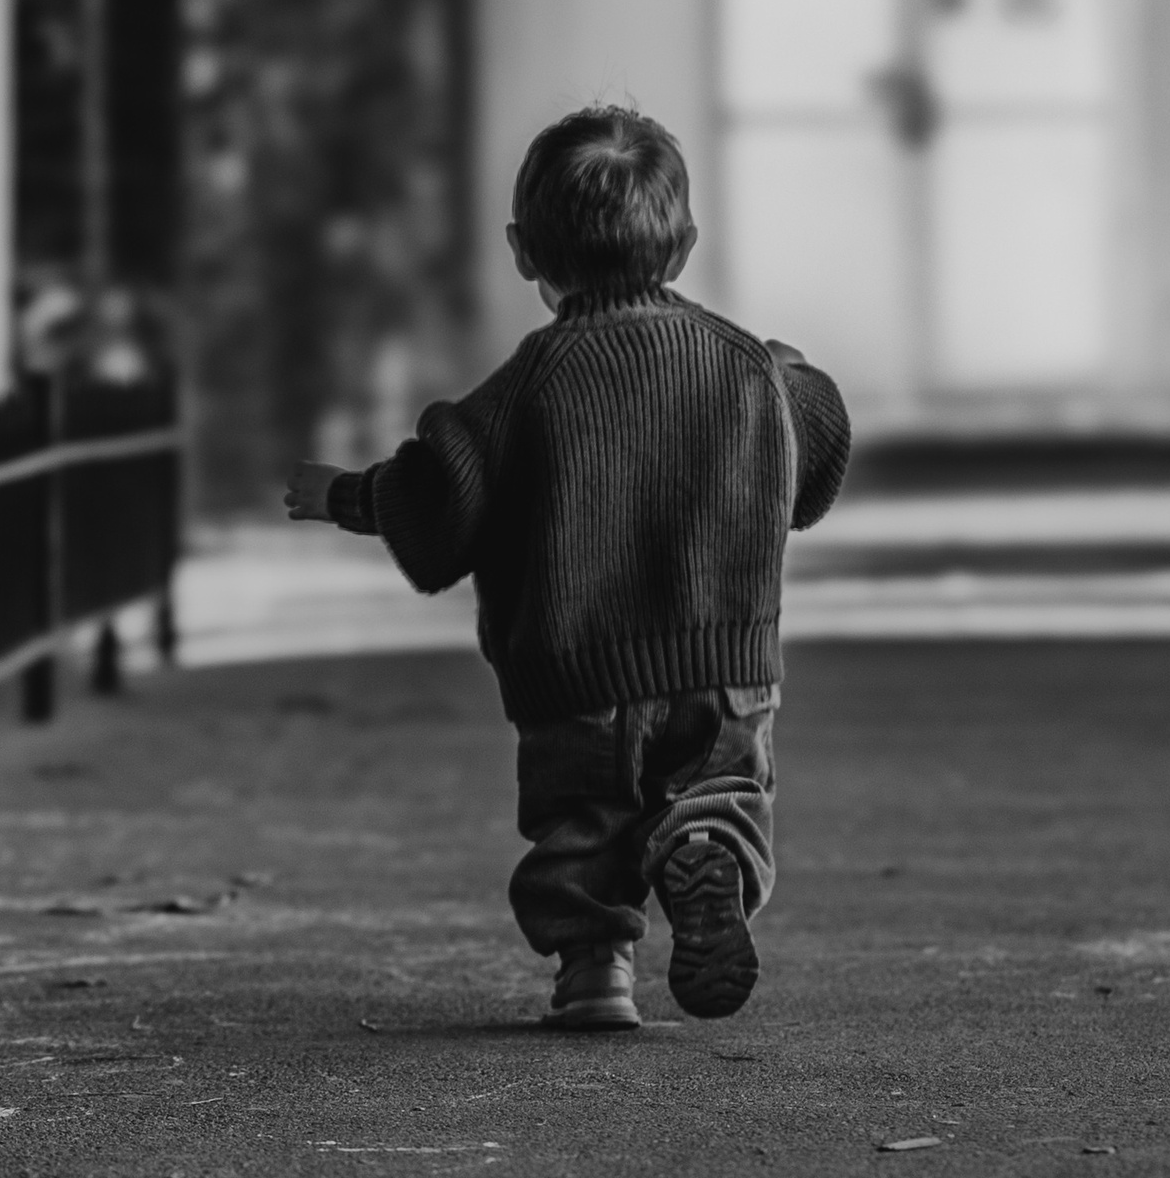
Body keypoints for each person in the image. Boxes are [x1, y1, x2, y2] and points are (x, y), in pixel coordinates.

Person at [284, 105, 851, 1030]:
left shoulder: (534, 382)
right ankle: (703, 844)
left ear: (523, 252)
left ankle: (594, 975)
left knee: (581, 823)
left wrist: (343, 495)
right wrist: (793, 372)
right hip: (728, 672)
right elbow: (814, 463)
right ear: (685, 245)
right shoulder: (747, 369)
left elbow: (439, 499)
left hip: (576, 679)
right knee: (723, 788)